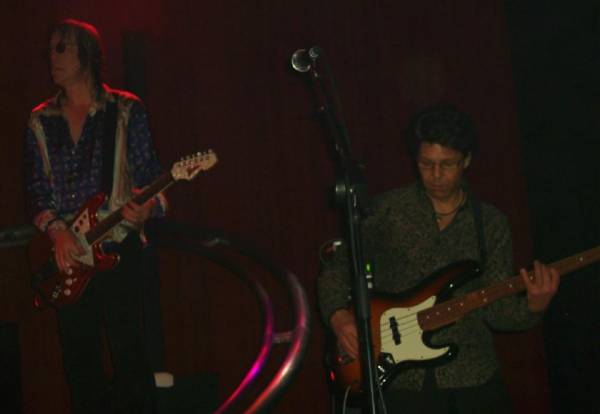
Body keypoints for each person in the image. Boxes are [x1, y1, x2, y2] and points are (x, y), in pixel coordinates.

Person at [317, 105, 560, 413]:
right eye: (425, 163)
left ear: (467, 160)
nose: (435, 174)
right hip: (401, 381)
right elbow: (337, 271)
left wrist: (533, 307)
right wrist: (339, 318)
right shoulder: (388, 211)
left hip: (473, 375)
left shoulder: (489, 223)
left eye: (447, 164)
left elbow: (497, 312)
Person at [24, 19, 166, 414]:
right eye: (50, 49)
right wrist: (58, 233)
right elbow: (35, 191)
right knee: (79, 364)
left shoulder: (125, 109)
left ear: (85, 53)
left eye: (61, 48)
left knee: (130, 355)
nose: (51, 57)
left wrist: (146, 208)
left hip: (118, 245)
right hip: (67, 256)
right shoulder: (40, 120)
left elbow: (152, 176)